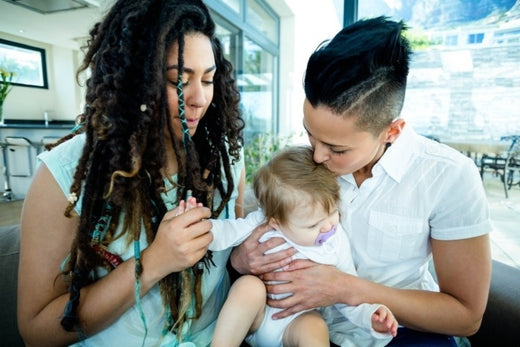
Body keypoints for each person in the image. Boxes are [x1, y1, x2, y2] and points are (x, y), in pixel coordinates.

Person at [230, 16, 492, 346]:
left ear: (391, 131)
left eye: (337, 149)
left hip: (400, 332)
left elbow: (466, 316)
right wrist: (240, 258)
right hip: (296, 326)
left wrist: (345, 288)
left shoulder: (448, 176)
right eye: (311, 135)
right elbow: (244, 234)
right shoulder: (297, 168)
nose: (317, 157)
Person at [17, 1, 245, 346]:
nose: (199, 98)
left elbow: (235, 256)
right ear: (131, 84)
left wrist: (251, 255)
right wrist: (151, 264)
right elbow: (36, 331)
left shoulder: (224, 158)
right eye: (176, 81)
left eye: (209, 79)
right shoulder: (62, 175)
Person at [206, 146, 396, 347]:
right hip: (257, 317)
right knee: (248, 288)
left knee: (315, 325)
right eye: (313, 225)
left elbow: (346, 293)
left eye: (332, 211)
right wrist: (201, 228)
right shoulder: (262, 223)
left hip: (296, 322)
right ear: (276, 222)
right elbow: (226, 231)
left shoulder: (336, 242)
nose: (328, 226)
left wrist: (370, 317)